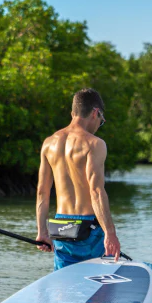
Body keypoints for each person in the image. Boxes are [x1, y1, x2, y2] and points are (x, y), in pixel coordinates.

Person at [35, 88, 121, 270]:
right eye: (101, 121)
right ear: (95, 112)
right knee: (97, 287)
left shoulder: (48, 143)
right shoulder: (94, 144)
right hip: (88, 229)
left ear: (73, 113)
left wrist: (42, 231)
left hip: (60, 228)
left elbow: (42, 192)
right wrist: (110, 232)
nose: (99, 125)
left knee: (64, 285)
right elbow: (96, 191)